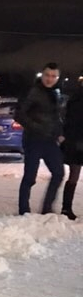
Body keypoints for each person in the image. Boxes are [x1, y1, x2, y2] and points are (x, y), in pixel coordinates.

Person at [15, 62, 64, 215]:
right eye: (47, 75)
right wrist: (36, 128)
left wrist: (59, 133)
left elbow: (55, 117)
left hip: (49, 141)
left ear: (57, 78)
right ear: (42, 75)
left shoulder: (55, 93)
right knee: (30, 176)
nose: (50, 79)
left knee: (58, 173)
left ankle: (47, 208)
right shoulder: (33, 91)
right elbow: (19, 114)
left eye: (54, 76)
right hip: (33, 140)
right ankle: (24, 210)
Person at [61, 78, 83, 220]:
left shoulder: (74, 97)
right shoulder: (77, 99)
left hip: (75, 141)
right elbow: (72, 121)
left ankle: (66, 208)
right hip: (76, 142)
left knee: (74, 175)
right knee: (74, 174)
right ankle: (66, 208)